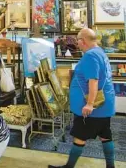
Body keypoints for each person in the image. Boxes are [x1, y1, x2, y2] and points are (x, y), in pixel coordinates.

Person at [49, 28, 116, 168]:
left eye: (77, 40)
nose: (77, 43)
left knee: (79, 137)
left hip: (92, 108)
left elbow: (94, 81)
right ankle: (111, 166)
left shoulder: (90, 56)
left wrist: (90, 104)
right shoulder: (100, 52)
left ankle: (69, 167)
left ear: (82, 41)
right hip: (104, 105)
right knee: (105, 135)